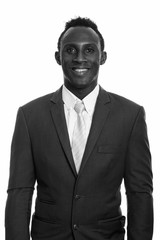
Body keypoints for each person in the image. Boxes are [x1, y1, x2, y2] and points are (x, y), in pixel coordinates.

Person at [5, 17, 153, 240]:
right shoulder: (30, 116)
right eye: (71, 50)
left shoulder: (130, 116)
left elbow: (139, 193)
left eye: (89, 50)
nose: (80, 58)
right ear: (58, 57)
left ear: (102, 57)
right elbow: (19, 192)